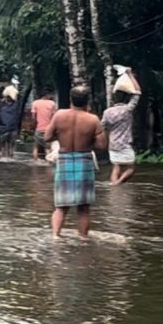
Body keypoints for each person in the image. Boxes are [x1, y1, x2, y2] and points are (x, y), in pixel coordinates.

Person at [45, 86, 107, 239]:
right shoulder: (93, 119)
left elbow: (47, 137)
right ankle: (84, 239)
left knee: (61, 206)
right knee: (83, 208)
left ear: (71, 99)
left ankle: (55, 237)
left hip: (64, 160)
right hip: (84, 160)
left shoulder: (59, 115)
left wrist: (62, 138)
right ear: (88, 100)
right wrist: (86, 142)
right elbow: (101, 145)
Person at [101, 70, 142, 185]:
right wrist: (129, 74)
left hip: (112, 144)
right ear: (126, 99)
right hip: (125, 144)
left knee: (116, 168)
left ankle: (114, 190)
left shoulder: (107, 112)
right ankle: (117, 184)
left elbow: (102, 127)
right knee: (131, 169)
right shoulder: (127, 110)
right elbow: (137, 92)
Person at [0, 87, 26, 158]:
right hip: (12, 129)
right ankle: (10, 157)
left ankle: (5, 157)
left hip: (4, 129)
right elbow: (20, 99)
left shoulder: (2, 106)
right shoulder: (16, 106)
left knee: (4, 147)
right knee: (11, 146)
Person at [31, 91, 57, 161]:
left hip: (38, 128)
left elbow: (33, 117)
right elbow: (54, 117)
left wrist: (34, 126)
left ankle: (35, 163)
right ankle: (48, 164)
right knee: (48, 148)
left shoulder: (35, 103)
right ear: (47, 95)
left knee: (36, 147)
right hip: (48, 129)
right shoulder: (52, 103)